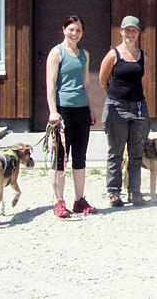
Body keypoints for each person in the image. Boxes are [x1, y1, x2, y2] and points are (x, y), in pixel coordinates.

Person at [45, 14, 98, 218]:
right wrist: (53, 111)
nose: (75, 34)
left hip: (81, 110)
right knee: (60, 157)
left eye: (79, 30)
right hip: (62, 110)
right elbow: (50, 83)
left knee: (79, 156)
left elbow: (86, 83)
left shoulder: (84, 54)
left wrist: (91, 109)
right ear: (64, 29)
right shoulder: (56, 53)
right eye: (71, 29)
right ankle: (58, 200)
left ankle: (79, 199)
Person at [99, 15, 149, 207]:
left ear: (138, 33)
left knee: (136, 152)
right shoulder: (113, 54)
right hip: (116, 107)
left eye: (133, 30)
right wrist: (115, 99)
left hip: (138, 108)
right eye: (127, 30)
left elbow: (142, 79)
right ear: (121, 32)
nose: (130, 34)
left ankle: (134, 191)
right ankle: (114, 192)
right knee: (116, 151)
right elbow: (103, 81)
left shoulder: (142, 55)